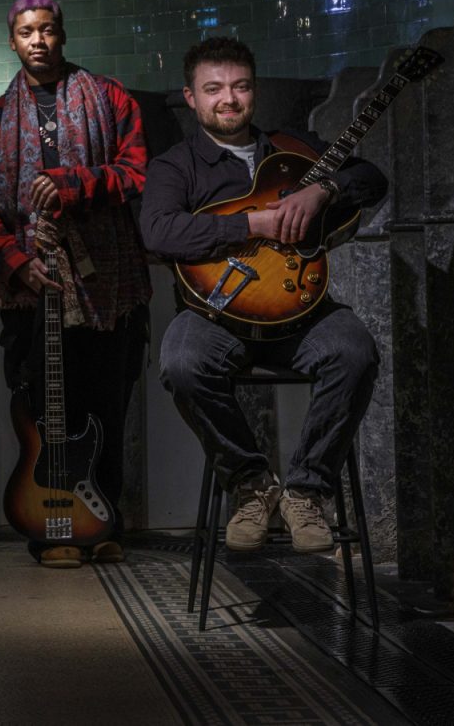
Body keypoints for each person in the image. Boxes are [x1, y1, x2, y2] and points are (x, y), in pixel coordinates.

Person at [141, 36, 386, 553]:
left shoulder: (293, 148)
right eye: (214, 89)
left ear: (253, 91)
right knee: (181, 363)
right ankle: (251, 483)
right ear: (191, 97)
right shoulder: (175, 166)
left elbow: (371, 177)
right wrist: (253, 223)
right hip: (215, 317)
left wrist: (327, 189)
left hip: (302, 314)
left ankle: (306, 490)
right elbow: (159, 232)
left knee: (355, 351)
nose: (228, 99)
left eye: (240, 86)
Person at [0, 0, 151, 569]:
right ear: (12, 41)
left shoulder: (111, 97)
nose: (38, 40)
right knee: (47, 414)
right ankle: (55, 529)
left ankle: (104, 522)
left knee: (105, 408)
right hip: (31, 293)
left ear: (62, 33)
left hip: (107, 286)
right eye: (25, 32)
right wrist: (19, 264)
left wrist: (75, 183)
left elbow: (136, 173)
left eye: (46, 29)